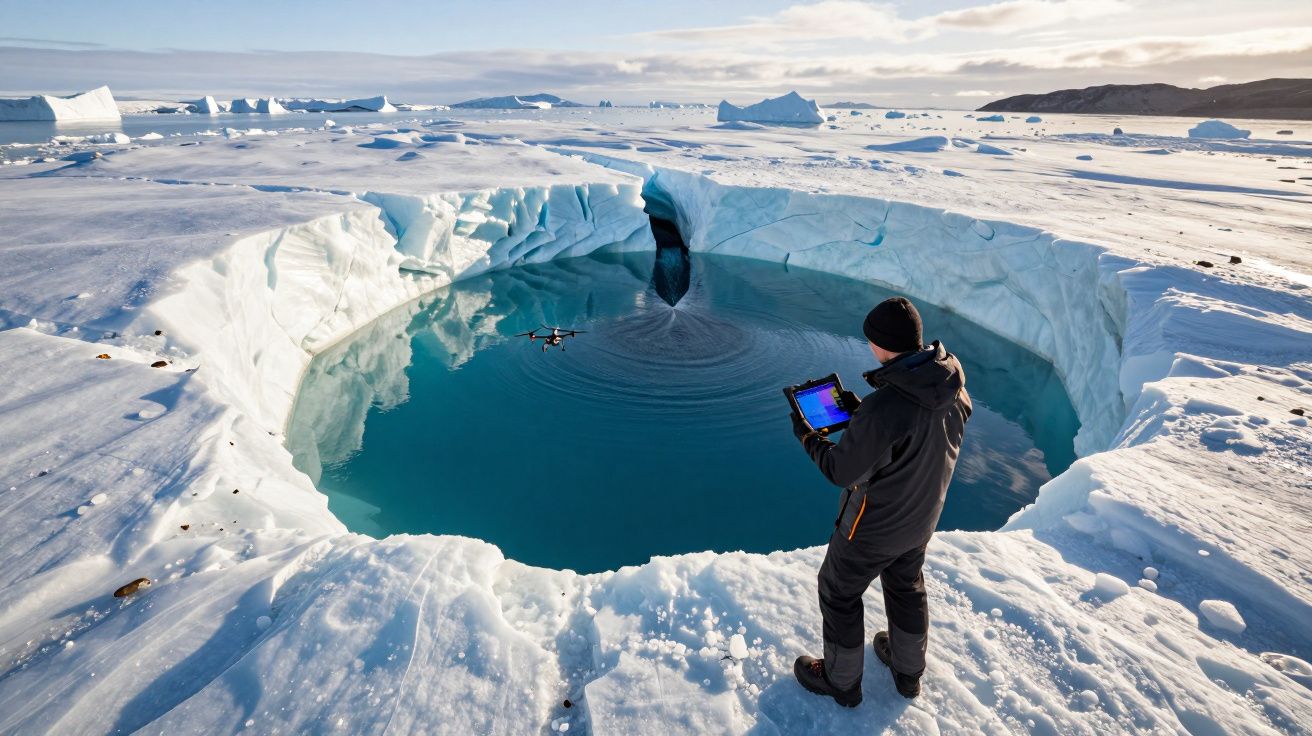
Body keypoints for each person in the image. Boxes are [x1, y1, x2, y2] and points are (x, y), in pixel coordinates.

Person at [789, 296, 972, 706]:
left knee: (838, 592)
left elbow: (841, 471)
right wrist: (863, 416)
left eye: (871, 339)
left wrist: (808, 436)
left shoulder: (885, 408)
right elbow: (914, 432)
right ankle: (909, 673)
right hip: (922, 517)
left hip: (872, 528)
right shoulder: (949, 383)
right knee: (906, 585)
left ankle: (842, 682)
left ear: (881, 344)